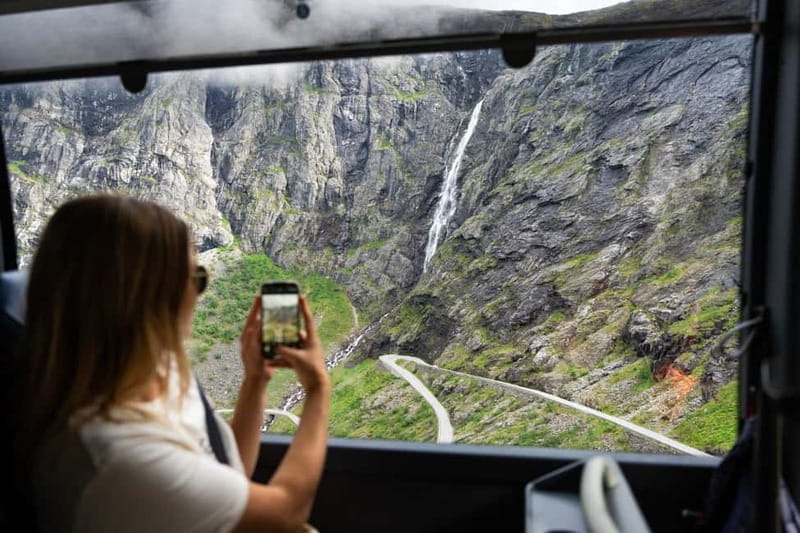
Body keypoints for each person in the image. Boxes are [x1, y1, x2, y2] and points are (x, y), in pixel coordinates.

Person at [9, 194, 331, 532]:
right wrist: (318, 389)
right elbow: (286, 513)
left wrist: (255, 381)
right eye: (197, 279)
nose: (198, 294)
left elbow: (225, 472)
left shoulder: (158, 370)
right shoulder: (120, 460)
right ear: (148, 298)